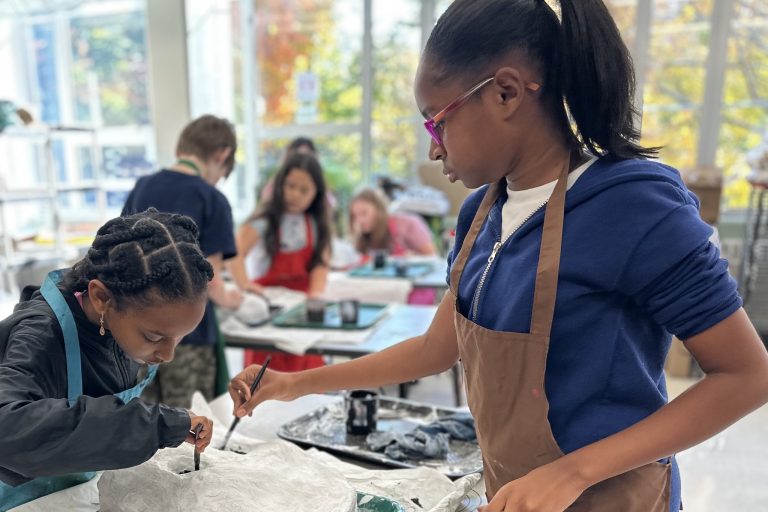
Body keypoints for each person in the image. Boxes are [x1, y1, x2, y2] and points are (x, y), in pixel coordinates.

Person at [229, 1, 768, 511]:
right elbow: (436, 348)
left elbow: (746, 375)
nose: (433, 147)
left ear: (506, 93)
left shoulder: (632, 205)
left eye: (436, 122)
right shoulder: (479, 217)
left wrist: (574, 471)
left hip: (610, 497)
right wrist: (293, 384)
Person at [0, 209, 215, 511]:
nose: (168, 355)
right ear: (101, 297)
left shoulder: (117, 320)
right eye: (154, 338)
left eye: (179, 338)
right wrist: (155, 425)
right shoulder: (39, 334)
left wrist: (166, 421)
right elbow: (8, 429)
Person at [122, 114, 243, 408]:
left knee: (141, 421)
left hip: (136, 334)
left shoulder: (142, 186)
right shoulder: (211, 199)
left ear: (182, 148)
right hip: (187, 338)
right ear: (222, 154)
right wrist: (232, 299)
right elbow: (211, 280)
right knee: (188, 426)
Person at [229, 152, 332, 372]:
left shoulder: (316, 224)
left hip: (301, 311)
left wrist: (314, 298)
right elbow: (234, 252)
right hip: (267, 310)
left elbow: (320, 265)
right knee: (264, 379)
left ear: (316, 194)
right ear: (279, 185)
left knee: (305, 379)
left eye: (304, 190)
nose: (295, 194)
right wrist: (244, 285)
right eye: (290, 186)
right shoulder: (264, 221)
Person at [349, 188, 436, 258]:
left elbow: (432, 257)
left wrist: (410, 259)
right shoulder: (364, 237)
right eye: (355, 216)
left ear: (379, 210)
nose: (360, 221)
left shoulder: (409, 223)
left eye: (364, 213)